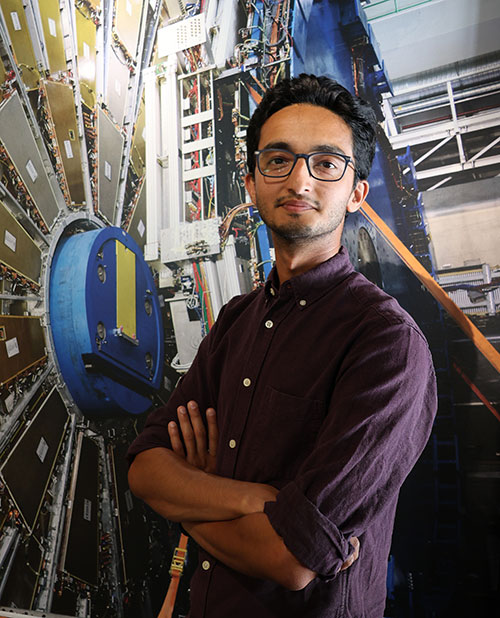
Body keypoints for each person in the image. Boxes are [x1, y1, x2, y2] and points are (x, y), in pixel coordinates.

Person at [127, 74, 437, 617]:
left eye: (326, 163)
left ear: (356, 192)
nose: (300, 180)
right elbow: (145, 470)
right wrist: (256, 499)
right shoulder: (237, 321)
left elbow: (293, 556)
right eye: (278, 160)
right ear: (251, 183)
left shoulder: (387, 345)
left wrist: (191, 496)